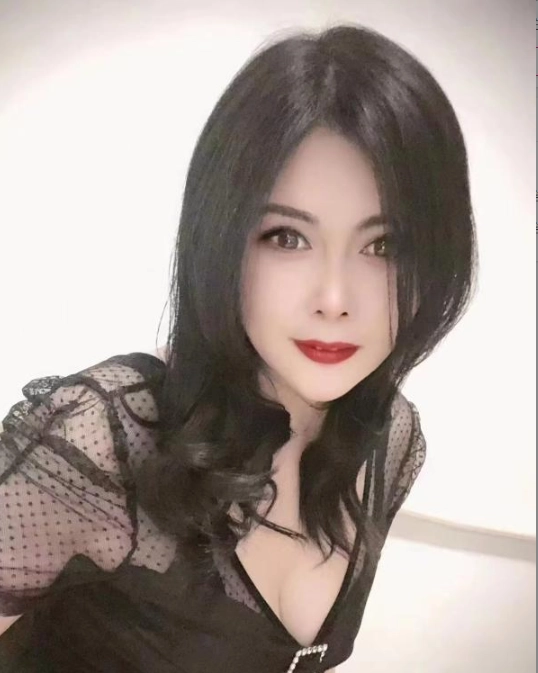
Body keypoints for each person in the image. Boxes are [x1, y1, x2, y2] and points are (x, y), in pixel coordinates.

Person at [0, 22, 478, 673]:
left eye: (384, 246)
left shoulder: (387, 440)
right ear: (222, 238)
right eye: (287, 237)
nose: (335, 298)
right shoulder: (107, 440)